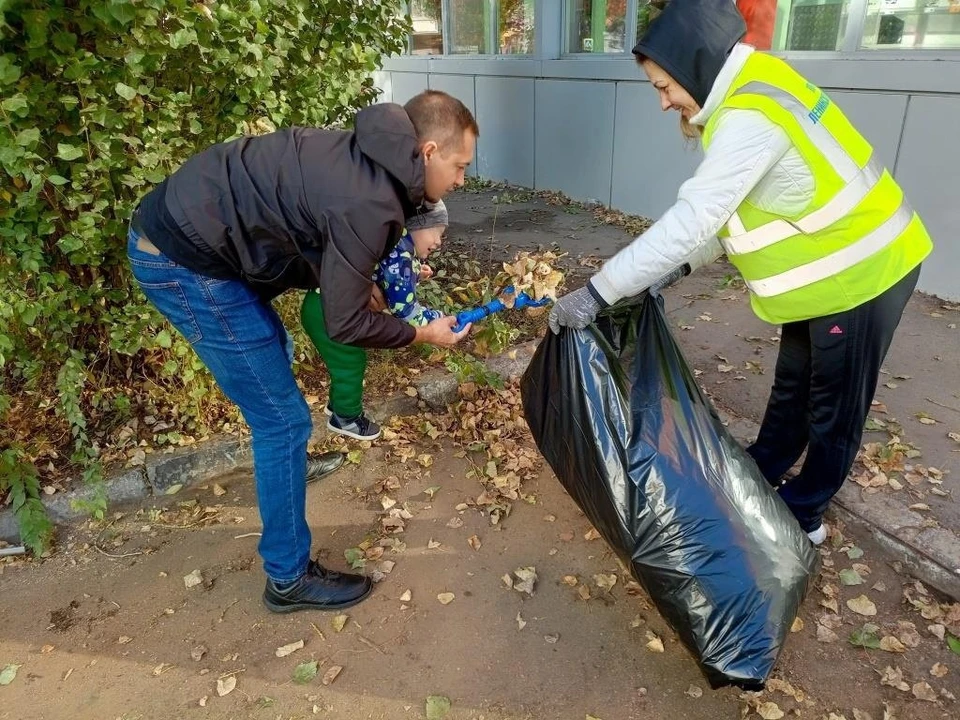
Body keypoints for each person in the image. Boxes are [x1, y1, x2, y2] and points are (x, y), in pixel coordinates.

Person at [548, 0, 933, 545]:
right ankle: (759, 475)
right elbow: (726, 220)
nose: (663, 103)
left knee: (834, 408)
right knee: (793, 387)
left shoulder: (750, 116)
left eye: (663, 87)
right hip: (822, 276)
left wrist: (597, 291)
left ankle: (803, 516)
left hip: (864, 271)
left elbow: (694, 218)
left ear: (693, 67)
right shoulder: (749, 87)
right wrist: (673, 269)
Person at [127, 90, 478, 612]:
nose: (461, 181)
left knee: (277, 358)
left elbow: (310, 233)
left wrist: (359, 284)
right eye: (459, 166)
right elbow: (345, 323)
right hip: (185, 263)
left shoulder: (370, 159)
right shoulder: (371, 199)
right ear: (427, 151)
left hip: (201, 240)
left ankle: (285, 470)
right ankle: (288, 579)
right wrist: (422, 334)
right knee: (282, 421)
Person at [300, 201, 449, 441]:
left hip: (323, 305)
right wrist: (436, 321)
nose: (439, 242)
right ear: (418, 226)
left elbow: (391, 280)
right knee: (350, 361)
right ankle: (345, 418)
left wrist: (415, 274)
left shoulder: (397, 245)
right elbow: (405, 310)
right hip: (327, 311)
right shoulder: (400, 256)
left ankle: (337, 403)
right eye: (437, 233)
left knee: (345, 360)